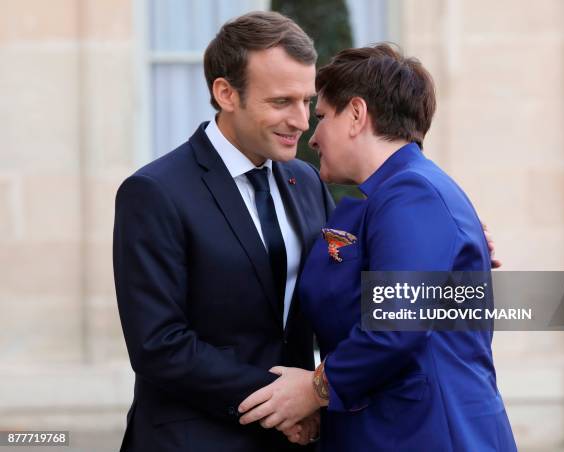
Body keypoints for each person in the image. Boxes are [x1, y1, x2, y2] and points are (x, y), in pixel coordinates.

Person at [238, 44, 516, 451]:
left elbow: (395, 326)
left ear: (356, 114)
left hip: (429, 434)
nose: (312, 138)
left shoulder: (413, 194)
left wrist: (313, 390)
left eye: (321, 117)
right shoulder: (390, 199)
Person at [113, 11, 333, 452]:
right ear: (226, 93)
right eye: (281, 102)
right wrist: (288, 400)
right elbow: (159, 345)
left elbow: (344, 284)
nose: (301, 121)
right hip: (193, 437)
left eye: (306, 101)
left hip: (296, 440)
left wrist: (455, 252)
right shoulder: (153, 192)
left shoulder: (306, 181)